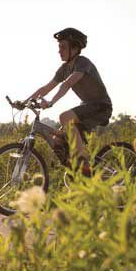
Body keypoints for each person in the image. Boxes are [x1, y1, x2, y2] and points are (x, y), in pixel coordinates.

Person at [26, 27, 112, 176]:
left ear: (75, 48)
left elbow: (67, 84)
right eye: (59, 47)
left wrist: (51, 102)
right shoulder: (64, 69)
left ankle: (83, 163)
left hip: (101, 106)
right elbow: (46, 87)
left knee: (65, 117)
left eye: (63, 47)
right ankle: (75, 173)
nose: (59, 51)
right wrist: (24, 102)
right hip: (86, 108)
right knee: (57, 139)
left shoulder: (83, 63)